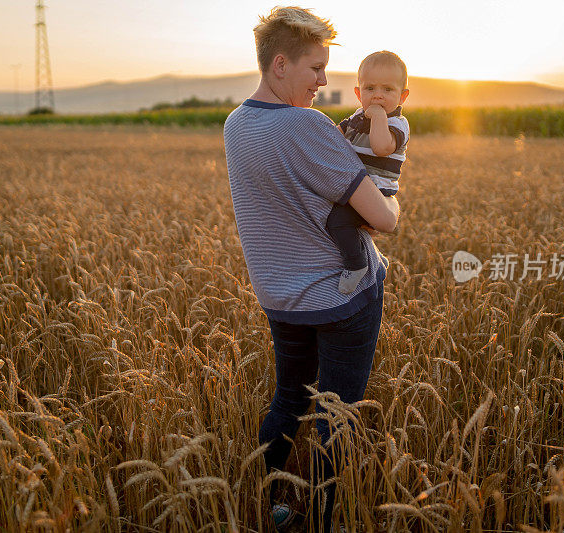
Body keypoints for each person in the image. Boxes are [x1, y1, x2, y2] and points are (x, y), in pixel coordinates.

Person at [222, 6, 399, 532]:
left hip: (279, 297)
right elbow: (383, 220)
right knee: (335, 420)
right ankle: (324, 520)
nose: (325, 81)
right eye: (315, 69)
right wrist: (393, 188)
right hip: (342, 301)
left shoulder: (237, 123)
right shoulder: (307, 126)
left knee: (288, 398)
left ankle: (268, 501)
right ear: (280, 65)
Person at [329, 51, 410, 294]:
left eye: (387, 89)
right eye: (370, 88)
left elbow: (382, 147)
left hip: (376, 189)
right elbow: (334, 136)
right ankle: (374, 259)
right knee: (347, 224)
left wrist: (377, 117)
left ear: (402, 97)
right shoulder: (356, 116)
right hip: (357, 185)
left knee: (339, 221)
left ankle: (357, 264)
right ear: (358, 93)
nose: (377, 95)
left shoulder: (397, 124)